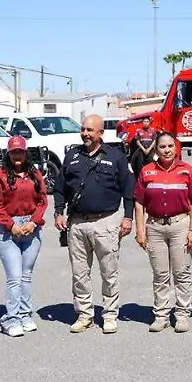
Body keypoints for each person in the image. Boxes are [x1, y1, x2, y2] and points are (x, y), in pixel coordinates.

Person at [53, 115, 135, 334]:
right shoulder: (72, 155)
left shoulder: (116, 157)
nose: (85, 134)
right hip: (77, 223)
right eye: (83, 129)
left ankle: (109, 315)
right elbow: (60, 187)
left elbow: (129, 190)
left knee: (109, 272)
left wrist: (128, 217)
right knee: (79, 274)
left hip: (106, 222)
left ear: (101, 133)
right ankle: (84, 314)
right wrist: (59, 212)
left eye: (90, 130)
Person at [134, 131, 192, 333]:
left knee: (181, 273)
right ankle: (161, 315)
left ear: (176, 147)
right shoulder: (147, 171)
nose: (166, 150)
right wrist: (140, 230)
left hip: (180, 225)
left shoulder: (187, 171)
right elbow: (139, 203)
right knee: (160, 274)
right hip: (154, 228)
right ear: (156, 149)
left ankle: (182, 315)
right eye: (162, 146)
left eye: (170, 146)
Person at [0, 135, 49, 337]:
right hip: (8, 230)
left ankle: (25, 314)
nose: (17, 155)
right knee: (14, 277)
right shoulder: (0, 175)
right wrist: (11, 224)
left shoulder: (34, 173)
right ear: (8, 153)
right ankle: (11, 318)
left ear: (26, 152)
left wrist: (34, 221)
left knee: (26, 275)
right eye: (13, 151)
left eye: (20, 151)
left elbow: (42, 200)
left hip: (31, 227)